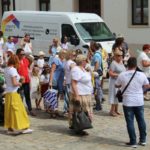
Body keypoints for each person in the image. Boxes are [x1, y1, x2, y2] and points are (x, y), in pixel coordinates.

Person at [115, 57, 150, 148]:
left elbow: (117, 85)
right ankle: (143, 140)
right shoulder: (141, 75)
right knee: (141, 120)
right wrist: (141, 90)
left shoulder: (122, 74)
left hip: (128, 101)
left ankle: (133, 141)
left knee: (130, 122)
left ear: (127, 65)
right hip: (139, 101)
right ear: (136, 65)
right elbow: (147, 85)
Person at [4, 55, 33, 135]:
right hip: (14, 93)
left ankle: (10, 128)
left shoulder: (6, 69)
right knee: (19, 110)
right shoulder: (13, 70)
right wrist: (20, 83)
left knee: (9, 111)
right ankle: (24, 127)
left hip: (8, 93)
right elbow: (14, 83)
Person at [70, 54, 93, 135]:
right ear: (82, 61)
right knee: (79, 112)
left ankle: (77, 127)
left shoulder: (83, 69)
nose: (86, 62)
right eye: (85, 60)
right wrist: (77, 96)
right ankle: (79, 129)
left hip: (86, 93)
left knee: (83, 112)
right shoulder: (76, 69)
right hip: (80, 94)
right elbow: (73, 83)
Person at [16, 48, 36, 116]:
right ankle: (20, 111)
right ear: (18, 54)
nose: (23, 55)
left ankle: (30, 110)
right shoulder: (16, 61)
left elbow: (29, 67)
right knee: (20, 96)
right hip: (20, 81)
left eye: (24, 54)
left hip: (27, 80)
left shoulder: (26, 60)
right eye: (22, 54)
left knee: (27, 96)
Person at [108, 49, 126, 116]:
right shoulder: (113, 63)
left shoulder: (121, 62)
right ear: (115, 56)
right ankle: (112, 111)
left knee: (118, 95)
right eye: (118, 55)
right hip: (114, 82)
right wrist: (119, 75)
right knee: (114, 95)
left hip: (120, 82)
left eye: (121, 55)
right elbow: (110, 73)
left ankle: (116, 110)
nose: (120, 57)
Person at [49, 50, 66, 117]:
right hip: (55, 79)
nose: (64, 55)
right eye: (64, 53)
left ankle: (56, 110)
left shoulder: (64, 61)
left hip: (60, 80)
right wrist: (50, 81)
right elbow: (52, 71)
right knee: (53, 96)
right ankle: (52, 111)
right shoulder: (56, 60)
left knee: (57, 96)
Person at [91, 42, 103, 110]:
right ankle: (99, 104)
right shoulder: (98, 53)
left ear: (94, 47)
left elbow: (97, 64)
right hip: (97, 74)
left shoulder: (96, 55)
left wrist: (94, 72)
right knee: (97, 89)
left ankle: (98, 105)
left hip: (96, 74)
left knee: (96, 90)